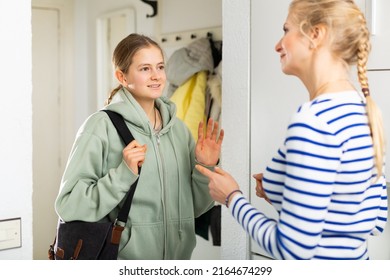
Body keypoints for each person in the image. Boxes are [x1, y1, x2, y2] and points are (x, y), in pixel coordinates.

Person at [196, 0, 387, 260]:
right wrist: (290, 193)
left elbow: (292, 249)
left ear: (315, 35)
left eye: (286, 30)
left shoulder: (313, 120)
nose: (278, 45)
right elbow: (374, 221)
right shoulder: (364, 112)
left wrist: (232, 197)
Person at [55, 33, 224, 260]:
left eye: (160, 67)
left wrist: (205, 168)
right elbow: (69, 205)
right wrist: (123, 175)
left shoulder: (179, 131)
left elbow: (193, 208)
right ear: (122, 77)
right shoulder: (100, 127)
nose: (156, 76)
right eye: (145, 69)